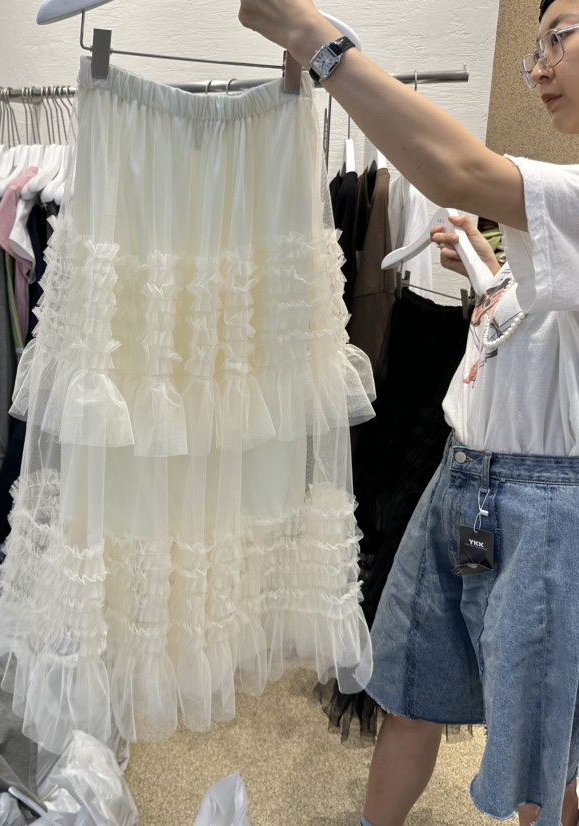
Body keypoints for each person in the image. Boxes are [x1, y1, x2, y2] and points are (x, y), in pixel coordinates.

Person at [239, 1, 579, 825]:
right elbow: (540, 338)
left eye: (560, 35)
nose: (538, 65)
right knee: (410, 688)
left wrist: (313, 38)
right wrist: (488, 270)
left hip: (543, 504)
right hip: (464, 477)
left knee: (537, 744)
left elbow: (455, 169)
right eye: (534, 45)